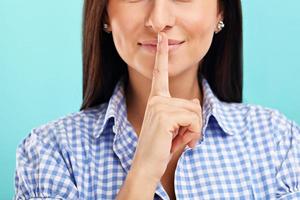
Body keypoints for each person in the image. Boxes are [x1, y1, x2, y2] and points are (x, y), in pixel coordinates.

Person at [14, 0, 300, 199]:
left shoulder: (276, 141)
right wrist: (143, 172)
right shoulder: (50, 152)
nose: (159, 20)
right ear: (104, 14)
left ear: (220, 11)